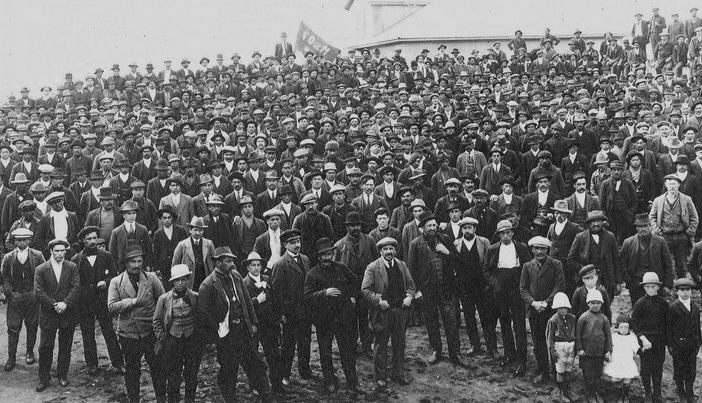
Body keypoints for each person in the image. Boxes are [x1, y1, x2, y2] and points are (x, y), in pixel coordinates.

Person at [197, 246, 273, 402]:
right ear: (218, 263)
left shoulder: (236, 276)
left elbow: (247, 301)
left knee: (255, 363)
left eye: (232, 260)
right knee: (229, 368)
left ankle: (266, 396)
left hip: (243, 329)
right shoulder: (207, 285)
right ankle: (230, 398)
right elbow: (203, 313)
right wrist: (218, 328)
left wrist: (253, 322)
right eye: (228, 261)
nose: (232, 264)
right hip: (226, 334)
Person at [107, 245, 165, 403]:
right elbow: (111, 306)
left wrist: (160, 327)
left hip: (150, 332)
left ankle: (161, 398)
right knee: (132, 370)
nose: (137, 265)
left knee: (157, 368)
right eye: (133, 261)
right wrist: (132, 301)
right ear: (126, 263)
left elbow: (163, 300)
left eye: (139, 261)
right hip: (129, 333)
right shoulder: (117, 282)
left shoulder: (151, 278)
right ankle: (134, 399)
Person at [304, 238, 359, 394]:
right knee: (325, 352)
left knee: (347, 351)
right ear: (318, 257)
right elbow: (307, 297)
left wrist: (352, 296)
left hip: (343, 317)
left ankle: (352, 381)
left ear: (333, 254)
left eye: (329, 254)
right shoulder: (312, 274)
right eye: (323, 255)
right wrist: (324, 293)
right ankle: (329, 381)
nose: (327, 257)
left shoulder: (342, 268)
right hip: (324, 319)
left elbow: (355, 282)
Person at [361, 237, 415, 391]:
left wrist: (409, 297)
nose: (389, 252)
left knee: (399, 343)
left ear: (395, 250)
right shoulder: (372, 267)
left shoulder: (402, 265)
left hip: (399, 311)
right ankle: (380, 377)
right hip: (382, 312)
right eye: (385, 249)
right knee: (381, 345)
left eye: (391, 249)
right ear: (380, 251)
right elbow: (365, 290)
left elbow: (411, 285)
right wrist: (379, 300)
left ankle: (398, 374)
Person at [72, 226, 123, 375]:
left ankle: (119, 363)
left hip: (102, 300)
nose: (93, 241)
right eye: (89, 239)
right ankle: (92, 364)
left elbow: (115, 275)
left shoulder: (106, 255)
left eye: (95, 238)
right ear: (83, 241)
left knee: (109, 331)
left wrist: (106, 282)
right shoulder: (76, 259)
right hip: (85, 302)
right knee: (87, 333)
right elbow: (74, 282)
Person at [484, 219, 531, 376]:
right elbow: (486, 269)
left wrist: (523, 285)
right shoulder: (492, 249)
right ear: (498, 235)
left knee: (519, 325)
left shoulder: (521, 248)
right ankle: (510, 354)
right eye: (502, 233)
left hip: (517, 289)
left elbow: (528, 267)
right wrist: (495, 283)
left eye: (508, 232)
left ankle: (522, 360)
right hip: (500, 290)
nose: (505, 236)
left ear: (512, 233)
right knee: (504, 323)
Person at [34, 238, 80, 391]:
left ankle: (62, 375)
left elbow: (76, 287)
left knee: (65, 345)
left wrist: (65, 303)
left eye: (63, 251)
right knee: (45, 347)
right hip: (49, 313)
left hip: (67, 312)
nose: (60, 254)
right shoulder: (41, 269)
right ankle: (44, 378)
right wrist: (54, 304)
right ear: (51, 251)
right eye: (57, 251)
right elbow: (39, 291)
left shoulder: (72, 267)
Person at [152, 264, 203, 403]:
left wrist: (199, 337)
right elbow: (156, 321)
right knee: (173, 376)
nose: (180, 283)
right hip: (173, 340)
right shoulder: (164, 299)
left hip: (191, 340)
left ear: (188, 280)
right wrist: (163, 339)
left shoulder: (195, 297)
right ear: (172, 282)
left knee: (191, 374)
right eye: (177, 280)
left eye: (183, 279)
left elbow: (201, 318)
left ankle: (190, 400)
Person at [270, 229, 313, 384]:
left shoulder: (305, 259)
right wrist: (281, 313)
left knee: (305, 341)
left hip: (305, 310)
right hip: (290, 312)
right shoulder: (280, 264)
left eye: (298, 241)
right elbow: (276, 292)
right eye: (293, 242)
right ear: (285, 245)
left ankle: (304, 370)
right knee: (288, 344)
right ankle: (285, 374)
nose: (297, 245)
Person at [519, 236, 565, 384]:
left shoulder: (556, 264)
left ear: (548, 250)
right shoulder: (527, 266)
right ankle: (543, 370)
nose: (539, 252)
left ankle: (558, 371)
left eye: (543, 249)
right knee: (538, 342)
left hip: (551, 310)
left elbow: (559, 286)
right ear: (532, 250)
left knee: (554, 340)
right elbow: (523, 288)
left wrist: (546, 303)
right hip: (534, 311)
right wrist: (533, 303)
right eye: (536, 248)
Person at [0, 228, 44, 371]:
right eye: (18, 240)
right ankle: (11, 358)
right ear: (14, 241)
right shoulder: (8, 257)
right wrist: (9, 292)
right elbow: (4, 276)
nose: (21, 243)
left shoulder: (37, 255)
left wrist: (37, 292)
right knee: (13, 327)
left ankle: (30, 352)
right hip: (15, 297)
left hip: (32, 296)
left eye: (24, 240)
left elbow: (44, 272)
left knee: (32, 326)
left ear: (29, 241)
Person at [452, 216, 496, 356]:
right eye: (464, 228)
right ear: (461, 230)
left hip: (482, 286)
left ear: (475, 229)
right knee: (469, 317)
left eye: (469, 227)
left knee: (486, 317)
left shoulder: (484, 242)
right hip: (465, 287)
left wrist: (489, 283)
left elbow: (490, 263)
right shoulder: (457, 244)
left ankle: (492, 346)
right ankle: (474, 345)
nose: (467, 230)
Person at [241, 251, 283, 394]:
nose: (256, 268)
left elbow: (275, 299)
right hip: (254, 325)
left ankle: (277, 384)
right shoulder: (244, 283)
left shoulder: (267, 279)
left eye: (258, 265)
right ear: (248, 267)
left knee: (273, 355)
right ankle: (255, 386)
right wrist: (256, 301)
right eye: (253, 265)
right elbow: (243, 307)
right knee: (253, 356)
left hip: (269, 324)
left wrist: (277, 319)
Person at [649, 174, 699, 278]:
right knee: (667, 263)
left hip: (681, 236)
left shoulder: (686, 199)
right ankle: (669, 283)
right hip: (664, 236)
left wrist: (690, 231)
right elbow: (651, 217)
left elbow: (694, 217)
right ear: (666, 185)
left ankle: (682, 284)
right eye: (670, 184)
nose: (672, 186)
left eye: (674, 184)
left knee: (682, 263)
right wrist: (656, 230)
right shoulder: (658, 200)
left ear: (679, 185)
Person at [620, 213, 674, 306]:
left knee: (656, 308)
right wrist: (628, 280)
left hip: (656, 282)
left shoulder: (660, 241)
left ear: (650, 226)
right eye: (640, 226)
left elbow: (668, 264)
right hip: (636, 283)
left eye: (645, 226)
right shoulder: (628, 243)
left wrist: (667, 285)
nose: (643, 229)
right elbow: (622, 264)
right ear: (636, 228)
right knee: (638, 307)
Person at [630, 271, 669, 402]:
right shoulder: (640, 303)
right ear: (644, 287)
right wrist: (642, 338)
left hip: (659, 341)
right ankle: (647, 392)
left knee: (658, 368)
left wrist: (666, 342)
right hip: (645, 341)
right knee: (646, 369)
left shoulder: (664, 304)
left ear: (658, 287)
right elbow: (634, 323)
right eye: (648, 287)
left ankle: (657, 393)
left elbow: (667, 323)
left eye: (653, 286)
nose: (651, 289)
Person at [567, 210, 621, 298]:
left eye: (599, 221)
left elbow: (616, 260)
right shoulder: (580, 237)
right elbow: (571, 259)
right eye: (593, 221)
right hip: (586, 280)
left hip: (606, 280)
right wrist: (584, 270)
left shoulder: (610, 237)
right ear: (589, 223)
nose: (596, 224)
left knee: (605, 303)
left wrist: (618, 282)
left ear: (603, 222)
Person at [575, 289, 612, 403]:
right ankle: (590, 393)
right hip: (587, 353)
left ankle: (597, 392)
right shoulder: (583, 317)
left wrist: (608, 350)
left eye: (598, 303)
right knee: (588, 374)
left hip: (599, 352)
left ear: (601, 304)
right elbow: (578, 334)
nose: (595, 305)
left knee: (598, 374)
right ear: (588, 303)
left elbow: (608, 336)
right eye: (593, 303)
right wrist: (579, 348)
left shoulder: (604, 318)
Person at [668, 277, 701, 403]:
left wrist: (698, 343)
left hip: (692, 345)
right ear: (677, 292)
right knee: (679, 371)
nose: (685, 293)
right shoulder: (673, 307)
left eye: (688, 290)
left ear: (691, 291)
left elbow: (697, 327)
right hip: (678, 346)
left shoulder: (695, 307)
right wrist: (671, 346)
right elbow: (669, 329)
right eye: (682, 290)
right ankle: (681, 394)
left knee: (691, 371)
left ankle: (690, 393)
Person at [545, 292, 576, 401]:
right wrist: (552, 350)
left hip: (570, 346)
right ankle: (561, 390)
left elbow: (575, 333)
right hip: (559, 347)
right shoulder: (553, 320)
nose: (563, 310)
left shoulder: (572, 318)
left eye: (565, 308)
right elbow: (549, 337)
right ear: (556, 308)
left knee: (568, 369)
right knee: (560, 370)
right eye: (561, 308)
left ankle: (567, 389)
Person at [172, 216, 215, 292]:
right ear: (190, 230)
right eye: (195, 230)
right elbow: (175, 265)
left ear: (203, 231)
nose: (198, 233)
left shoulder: (209, 244)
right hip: (190, 281)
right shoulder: (182, 245)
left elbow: (214, 263)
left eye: (200, 230)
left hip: (205, 279)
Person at [547, 200, 581, 296]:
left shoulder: (575, 228)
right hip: (553, 265)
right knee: (554, 290)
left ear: (566, 214)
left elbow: (581, 245)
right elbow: (549, 243)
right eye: (557, 213)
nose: (559, 216)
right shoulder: (551, 227)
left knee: (569, 290)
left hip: (568, 267)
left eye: (562, 213)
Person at [602, 313, 639, 403]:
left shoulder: (632, 337)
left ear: (629, 328)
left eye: (626, 327)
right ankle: (617, 395)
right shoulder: (614, 337)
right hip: (616, 361)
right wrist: (608, 353)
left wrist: (642, 350)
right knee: (615, 378)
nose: (623, 330)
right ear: (617, 327)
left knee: (627, 379)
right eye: (621, 327)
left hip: (627, 361)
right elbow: (609, 347)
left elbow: (636, 348)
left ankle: (625, 396)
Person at [109, 200, 154, 271]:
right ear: (124, 215)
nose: (132, 216)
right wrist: (115, 269)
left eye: (133, 213)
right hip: (123, 267)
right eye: (129, 213)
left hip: (140, 266)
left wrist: (148, 265)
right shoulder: (116, 232)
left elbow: (149, 249)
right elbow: (112, 253)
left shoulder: (143, 229)